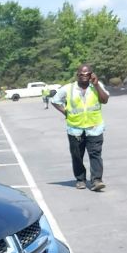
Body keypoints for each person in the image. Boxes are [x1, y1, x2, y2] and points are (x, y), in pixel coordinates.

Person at [51, 64, 109, 192]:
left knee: (95, 155)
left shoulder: (97, 86)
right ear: (77, 75)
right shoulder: (68, 88)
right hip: (75, 129)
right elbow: (55, 100)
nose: (84, 76)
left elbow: (105, 100)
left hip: (94, 127)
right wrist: (65, 112)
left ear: (91, 74)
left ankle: (97, 180)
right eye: (82, 74)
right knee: (77, 156)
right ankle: (80, 179)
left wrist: (97, 84)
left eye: (87, 74)